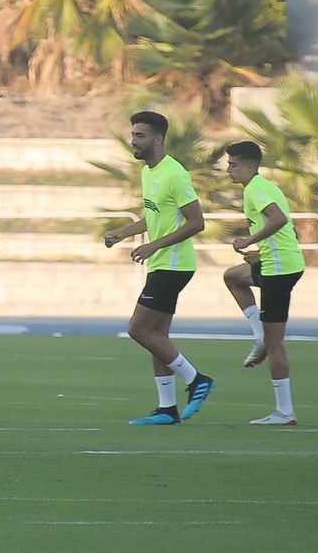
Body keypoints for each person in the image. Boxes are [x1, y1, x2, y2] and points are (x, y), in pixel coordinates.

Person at [102, 111, 215, 425]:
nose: (133, 141)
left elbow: (197, 223)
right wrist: (121, 233)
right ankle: (167, 409)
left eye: (140, 135)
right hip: (163, 264)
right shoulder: (148, 172)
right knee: (157, 336)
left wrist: (154, 245)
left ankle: (196, 380)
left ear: (158, 139)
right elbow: (153, 216)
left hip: (175, 265)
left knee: (138, 329)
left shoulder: (174, 174)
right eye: (133, 135)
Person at [222, 141, 305, 426]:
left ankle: (285, 411)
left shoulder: (256, 190)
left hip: (279, 271)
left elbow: (278, 219)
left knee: (275, 343)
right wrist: (260, 253)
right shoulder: (264, 187)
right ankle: (259, 335)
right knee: (233, 276)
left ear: (249, 166)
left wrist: (249, 240)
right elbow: (287, 227)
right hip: (277, 262)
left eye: (233, 164)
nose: (228, 170)